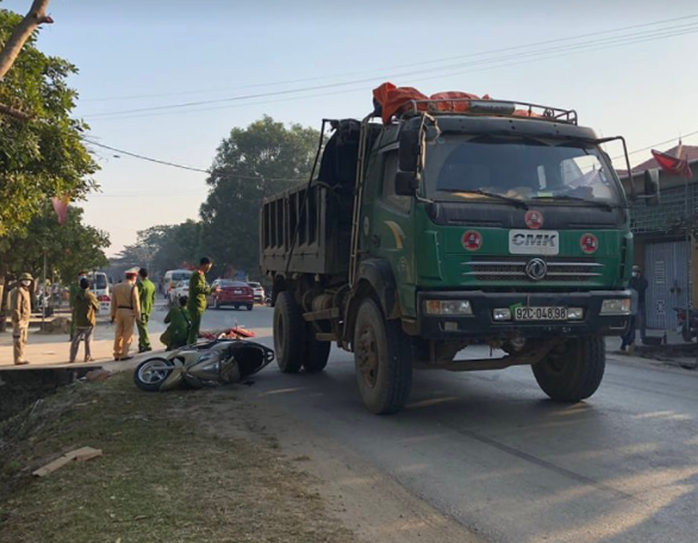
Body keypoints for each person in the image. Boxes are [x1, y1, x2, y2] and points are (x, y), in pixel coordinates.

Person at [110, 269, 141, 361]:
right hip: (129, 312)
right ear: (133, 277)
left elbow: (113, 302)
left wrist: (112, 314)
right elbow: (136, 303)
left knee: (118, 333)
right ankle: (124, 353)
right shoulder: (133, 287)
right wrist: (138, 316)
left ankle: (116, 353)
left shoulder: (116, 287)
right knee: (128, 333)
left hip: (119, 311)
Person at [70, 277, 99, 363]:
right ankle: (87, 357)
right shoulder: (90, 296)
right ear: (89, 285)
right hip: (89, 321)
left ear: (80, 286)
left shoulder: (76, 296)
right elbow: (97, 306)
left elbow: (74, 307)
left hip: (78, 320)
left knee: (76, 340)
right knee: (88, 340)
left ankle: (72, 357)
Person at [187, 257, 215, 344]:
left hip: (199, 305)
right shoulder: (197, 274)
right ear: (206, 265)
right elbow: (198, 289)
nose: (210, 268)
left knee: (195, 327)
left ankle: (192, 343)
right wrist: (211, 290)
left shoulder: (201, 274)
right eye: (210, 266)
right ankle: (191, 344)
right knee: (194, 327)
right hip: (195, 305)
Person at [11, 273, 33, 365]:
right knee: (18, 340)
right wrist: (18, 319)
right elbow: (16, 306)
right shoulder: (19, 291)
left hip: (25, 319)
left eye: (28, 280)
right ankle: (18, 358)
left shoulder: (26, 291)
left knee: (23, 339)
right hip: (20, 320)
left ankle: (21, 357)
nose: (27, 281)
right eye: (25, 280)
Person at [136, 268, 156, 353]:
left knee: (142, 328)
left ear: (140, 275)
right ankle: (141, 345)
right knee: (143, 328)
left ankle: (147, 345)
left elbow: (136, 298)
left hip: (141, 309)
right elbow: (153, 298)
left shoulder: (141, 284)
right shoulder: (152, 284)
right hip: (148, 308)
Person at [629, 265, 648, 342]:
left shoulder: (643, 280)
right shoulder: (631, 279)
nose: (634, 273)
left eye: (635, 271)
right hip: (633, 302)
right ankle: (632, 337)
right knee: (632, 321)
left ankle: (642, 336)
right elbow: (630, 287)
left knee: (642, 320)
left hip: (640, 302)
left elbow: (641, 287)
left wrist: (637, 279)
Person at [68, 270, 88, 341]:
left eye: (84, 275)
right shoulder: (74, 286)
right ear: (78, 277)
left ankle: (81, 336)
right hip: (76, 306)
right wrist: (71, 305)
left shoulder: (86, 285)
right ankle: (72, 335)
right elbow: (71, 296)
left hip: (83, 306)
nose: (83, 277)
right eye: (82, 275)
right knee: (74, 321)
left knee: (83, 321)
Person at [620, 285, 639, 352]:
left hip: (628, 314)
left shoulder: (627, 293)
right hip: (634, 313)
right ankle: (624, 345)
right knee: (631, 329)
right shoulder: (635, 292)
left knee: (624, 330)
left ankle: (629, 342)